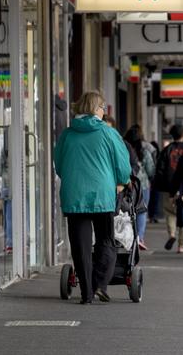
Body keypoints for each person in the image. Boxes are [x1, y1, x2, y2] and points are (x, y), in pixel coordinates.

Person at [54, 91, 131, 304]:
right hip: (102, 195)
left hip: (74, 195)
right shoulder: (108, 133)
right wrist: (122, 181)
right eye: (102, 107)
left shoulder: (67, 134)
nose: (104, 112)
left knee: (81, 247)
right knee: (106, 240)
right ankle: (99, 284)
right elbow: (123, 164)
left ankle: (86, 293)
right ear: (95, 109)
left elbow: (59, 164)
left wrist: (72, 179)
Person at [154, 124, 183, 252]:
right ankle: (181, 245)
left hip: (168, 187)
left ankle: (172, 234)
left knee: (170, 213)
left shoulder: (166, 149)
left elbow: (160, 169)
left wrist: (160, 185)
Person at [124, 125, 155, 250]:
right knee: (141, 210)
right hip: (143, 185)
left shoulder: (123, 147)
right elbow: (151, 169)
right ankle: (139, 237)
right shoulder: (145, 149)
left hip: (126, 183)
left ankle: (127, 236)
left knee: (126, 209)